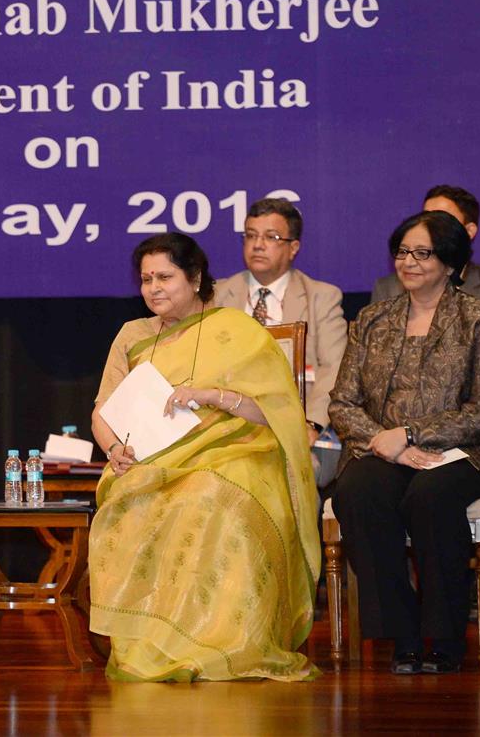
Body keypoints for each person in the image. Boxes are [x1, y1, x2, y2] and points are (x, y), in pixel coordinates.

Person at [88, 233, 320, 682]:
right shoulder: (132, 335)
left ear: (195, 279)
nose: (154, 288)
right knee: (138, 499)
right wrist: (115, 450)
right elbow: (103, 411)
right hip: (152, 459)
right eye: (146, 279)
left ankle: (222, 641)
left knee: (207, 494)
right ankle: (154, 643)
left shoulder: (236, 330)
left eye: (165, 277)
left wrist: (211, 396)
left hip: (237, 450)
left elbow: (276, 410)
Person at [331, 210, 480, 674]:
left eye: (421, 253)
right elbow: (342, 403)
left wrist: (412, 435)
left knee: (430, 496)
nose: (407, 262)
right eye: (402, 251)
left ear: (450, 262)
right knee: (358, 491)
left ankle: (446, 636)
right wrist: (383, 441)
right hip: (386, 449)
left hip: (467, 451)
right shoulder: (372, 319)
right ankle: (404, 632)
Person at [371, 185, 480, 403]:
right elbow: (373, 367)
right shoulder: (388, 288)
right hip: (398, 415)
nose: (429, 228)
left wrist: (453, 414)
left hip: (477, 420)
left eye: (442, 219)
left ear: (469, 231)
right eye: (426, 217)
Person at [213, 197, 346, 433]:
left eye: (271, 237)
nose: (257, 245)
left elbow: (334, 368)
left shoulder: (321, 297)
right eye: (251, 235)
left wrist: (311, 424)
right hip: (228, 421)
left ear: (293, 247)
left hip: (297, 421)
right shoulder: (217, 295)